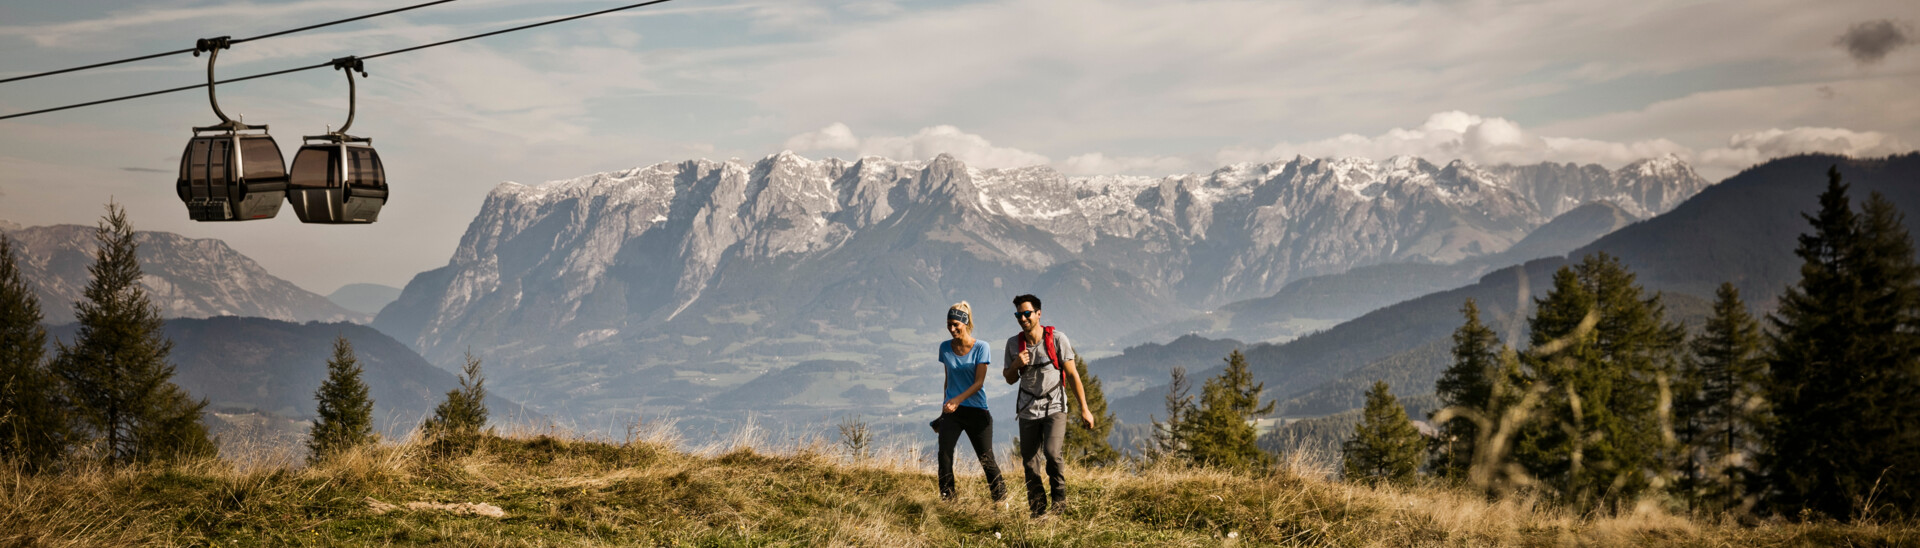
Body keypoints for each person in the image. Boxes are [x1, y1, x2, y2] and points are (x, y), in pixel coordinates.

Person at [1002, 294, 1095, 518]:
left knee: (1052, 454)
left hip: (1055, 406)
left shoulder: (1057, 340)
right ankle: (1037, 510)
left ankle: (1059, 503)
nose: (1022, 318)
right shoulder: (1013, 344)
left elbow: (1072, 374)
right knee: (1030, 463)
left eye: (1027, 314)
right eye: (1018, 315)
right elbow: (1009, 378)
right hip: (1027, 410)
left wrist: (1084, 408)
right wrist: (1015, 364)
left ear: (1038, 314)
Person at [933, 301, 1006, 502]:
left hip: (976, 411)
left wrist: (957, 400)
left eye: (956, 324)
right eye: (949, 324)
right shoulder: (945, 348)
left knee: (986, 459)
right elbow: (948, 380)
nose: (952, 328)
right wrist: (944, 409)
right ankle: (948, 499)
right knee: (944, 455)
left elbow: (978, 382)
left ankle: (1000, 499)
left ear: (966, 323)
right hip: (952, 412)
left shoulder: (981, 347)